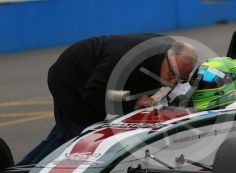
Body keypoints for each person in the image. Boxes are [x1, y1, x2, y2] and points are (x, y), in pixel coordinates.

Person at [17, 34, 197, 166]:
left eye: (179, 78)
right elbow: (94, 93)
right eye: (171, 74)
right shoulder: (126, 58)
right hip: (72, 78)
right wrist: (131, 102)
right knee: (75, 138)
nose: (171, 82)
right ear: (166, 56)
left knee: (61, 136)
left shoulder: (167, 57)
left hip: (97, 81)